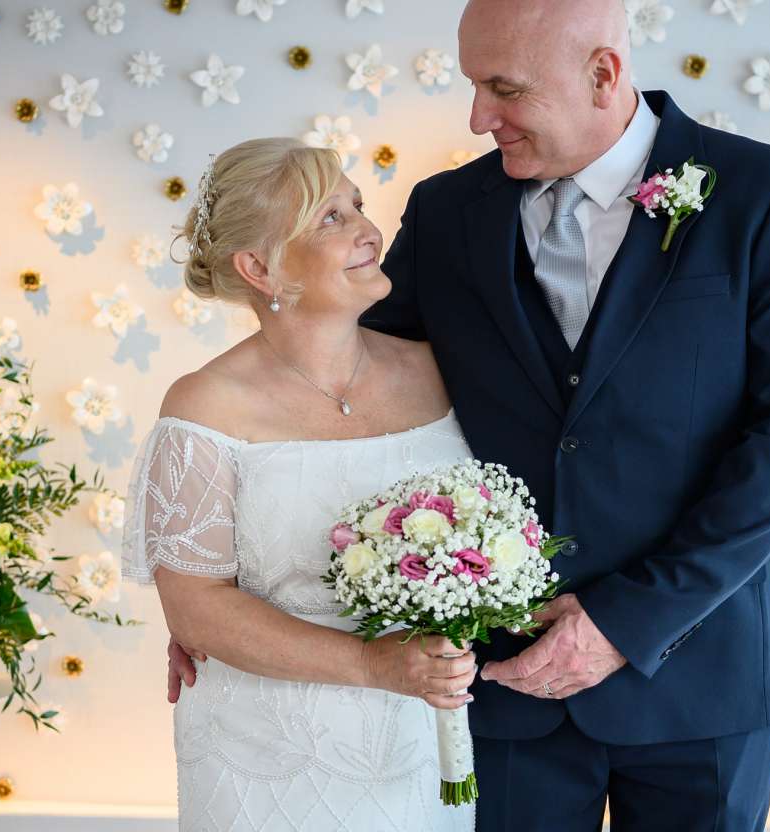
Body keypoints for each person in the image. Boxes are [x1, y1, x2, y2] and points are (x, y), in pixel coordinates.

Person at [170, 0, 770, 826]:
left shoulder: (766, 193)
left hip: (700, 678)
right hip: (494, 691)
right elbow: (338, 398)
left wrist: (624, 622)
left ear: (603, 73)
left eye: (504, 88)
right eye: (473, 85)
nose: (478, 116)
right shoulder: (449, 211)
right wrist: (220, 594)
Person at [122, 137, 477, 830]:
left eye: (357, 206)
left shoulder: (444, 370)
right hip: (261, 757)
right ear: (259, 266)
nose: (368, 231)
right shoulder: (204, 408)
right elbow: (198, 610)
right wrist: (376, 666)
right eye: (329, 219)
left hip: (421, 741)